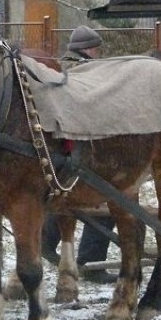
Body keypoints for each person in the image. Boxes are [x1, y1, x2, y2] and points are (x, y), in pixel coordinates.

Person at [41, 25, 118, 283]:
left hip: (59, 149)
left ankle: (45, 243)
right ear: (87, 49)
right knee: (107, 203)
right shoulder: (88, 72)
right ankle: (92, 262)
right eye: (97, 48)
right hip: (82, 148)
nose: (99, 53)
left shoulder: (61, 67)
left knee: (63, 199)